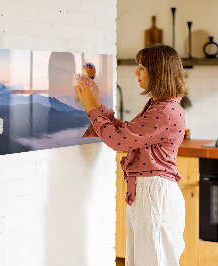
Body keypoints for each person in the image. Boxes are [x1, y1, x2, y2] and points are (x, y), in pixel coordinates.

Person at [75, 44, 187, 266]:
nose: (136, 72)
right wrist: (96, 103)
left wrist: (90, 108)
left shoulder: (164, 111)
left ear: (158, 72)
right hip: (150, 193)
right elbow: (126, 133)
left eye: (142, 67)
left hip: (155, 195)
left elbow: (118, 141)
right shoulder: (160, 106)